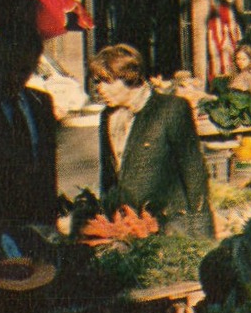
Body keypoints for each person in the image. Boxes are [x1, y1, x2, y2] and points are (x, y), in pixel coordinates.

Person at [92, 44, 215, 240]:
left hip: (169, 225)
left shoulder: (170, 109)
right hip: (128, 228)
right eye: (97, 81)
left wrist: (200, 234)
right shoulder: (107, 116)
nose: (99, 89)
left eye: (106, 81)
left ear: (129, 77)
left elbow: (193, 171)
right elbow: (108, 177)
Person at [0, 22, 59, 264]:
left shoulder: (41, 103)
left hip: (37, 227)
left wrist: (49, 221)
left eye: (24, 69)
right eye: (8, 68)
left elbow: (47, 168)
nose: (15, 77)